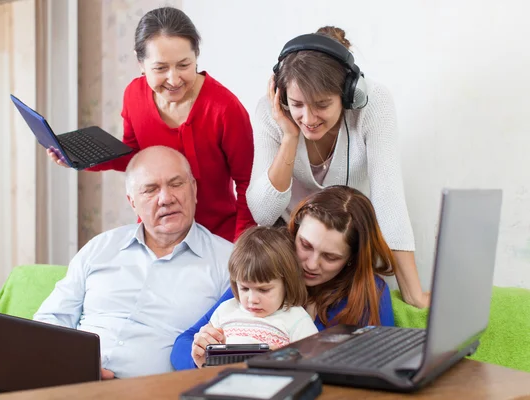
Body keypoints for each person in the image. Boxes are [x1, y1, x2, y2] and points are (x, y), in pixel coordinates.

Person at [246, 26, 428, 308]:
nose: (308, 118)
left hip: (344, 244)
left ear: (347, 95)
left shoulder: (373, 105)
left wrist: (414, 294)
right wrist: (290, 137)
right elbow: (264, 213)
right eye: (297, 104)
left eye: (321, 105)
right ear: (282, 97)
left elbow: (389, 201)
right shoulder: (271, 113)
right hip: (293, 243)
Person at [47, 7, 255, 242]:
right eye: (160, 68)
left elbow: (247, 183)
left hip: (217, 236)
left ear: (196, 56)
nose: (174, 79)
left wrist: (242, 244)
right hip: (157, 234)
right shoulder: (134, 96)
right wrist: (80, 158)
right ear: (141, 63)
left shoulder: (225, 108)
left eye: (184, 65)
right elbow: (133, 158)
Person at [34, 146, 233, 379]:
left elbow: (232, 345)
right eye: (150, 190)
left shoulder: (228, 262)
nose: (166, 199)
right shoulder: (100, 247)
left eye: (176, 184)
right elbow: (51, 319)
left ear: (194, 189)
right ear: (132, 202)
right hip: (76, 383)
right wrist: (70, 364)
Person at [171, 185, 397, 370]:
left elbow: (387, 364)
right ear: (295, 231)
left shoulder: (369, 292)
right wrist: (199, 357)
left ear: (351, 258)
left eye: (330, 257)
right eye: (305, 245)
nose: (310, 264)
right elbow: (183, 344)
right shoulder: (263, 275)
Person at [196, 226, 318, 367]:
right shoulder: (224, 311)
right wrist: (202, 356)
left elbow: (314, 362)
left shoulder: (296, 319)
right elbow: (207, 361)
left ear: (286, 284)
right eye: (245, 288)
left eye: (264, 290)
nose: (252, 300)